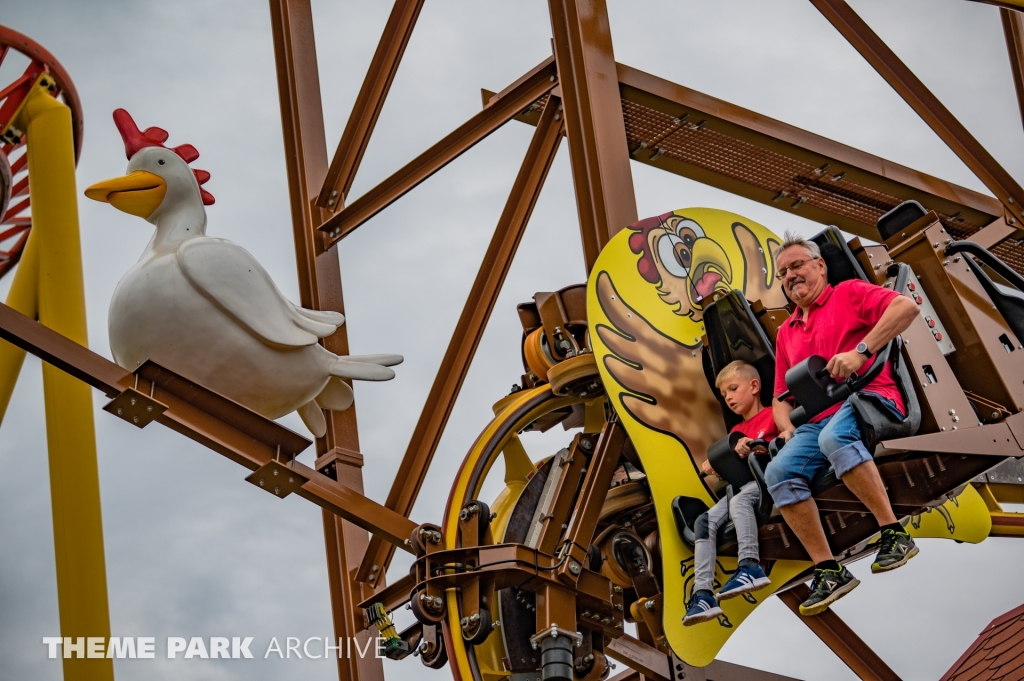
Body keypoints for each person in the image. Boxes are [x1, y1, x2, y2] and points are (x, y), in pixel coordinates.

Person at [766, 232, 921, 617]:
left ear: (820, 265)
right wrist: (785, 426)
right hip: (817, 420)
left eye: (797, 264)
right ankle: (828, 569)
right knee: (778, 472)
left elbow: (906, 307)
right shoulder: (786, 331)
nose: (790, 275)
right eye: (783, 272)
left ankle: (894, 533)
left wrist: (859, 351)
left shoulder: (849, 292)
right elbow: (779, 397)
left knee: (836, 436)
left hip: (870, 398)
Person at [684, 360, 778, 626]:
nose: (729, 398)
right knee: (704, 521)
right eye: (724, 394)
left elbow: (784, 445)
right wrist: (716, 465)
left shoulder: (773, 414)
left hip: (764, 480)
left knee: (738, 501)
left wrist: (758, 446)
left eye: (733, 389)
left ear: (754, 386)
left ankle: (750, 565)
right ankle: (702, 594)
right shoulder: (736, 432)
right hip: (742, 484)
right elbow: (732, 468)